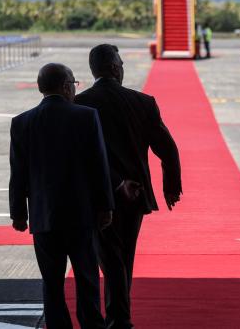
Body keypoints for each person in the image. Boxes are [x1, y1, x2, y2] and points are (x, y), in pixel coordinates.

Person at [74, 44, 182, 329]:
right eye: (120, 64)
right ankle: (119, 317)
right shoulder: (142, 102)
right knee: (122, 257)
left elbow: (81, 156)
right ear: (113, 68)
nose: (122, 68)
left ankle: (118, 318)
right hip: (135, 195)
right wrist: (171, 185)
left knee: (109, 258)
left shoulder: (80, 104)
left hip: (98, 194)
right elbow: (168, 148)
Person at [9, 63, 114, 329]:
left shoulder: (22, 122)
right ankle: (92, 325)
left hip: (44, 217)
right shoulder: (86, 116)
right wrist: (105, 206)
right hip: (81, 215)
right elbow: (98, 166)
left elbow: (18, 173)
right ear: (66, 86)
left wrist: (19, 213)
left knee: (52, 283)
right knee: (87, 278)